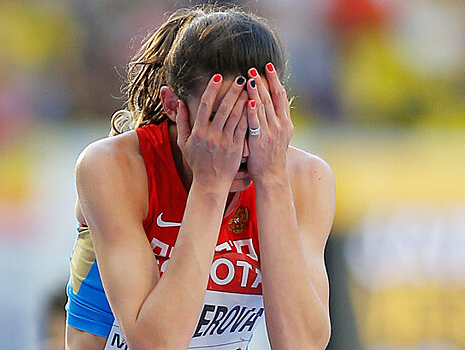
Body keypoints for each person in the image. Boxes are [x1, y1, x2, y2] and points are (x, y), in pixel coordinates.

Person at [65, 6, 335, 350]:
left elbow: (301, 345)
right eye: (220, 120)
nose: (239, 146)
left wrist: (272, 180)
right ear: (174, 106)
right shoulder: (113, 166)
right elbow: (155, 343)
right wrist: (210, 185)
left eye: (254, 118)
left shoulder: (305, 179)